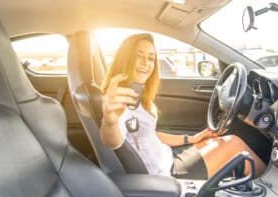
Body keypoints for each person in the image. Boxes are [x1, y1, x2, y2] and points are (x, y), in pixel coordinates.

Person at [100, 33, 266, 179]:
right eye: (139, 55)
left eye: (151, 58)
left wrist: (191, 138)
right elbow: (114, 142)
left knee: (216, 141)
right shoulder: (118, 100)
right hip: (165, 174)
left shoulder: (137, 93)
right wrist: (109, 122)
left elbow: (150, 134)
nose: (146, 63)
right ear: (126, 58)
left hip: (168, 156)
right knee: (234, 145)